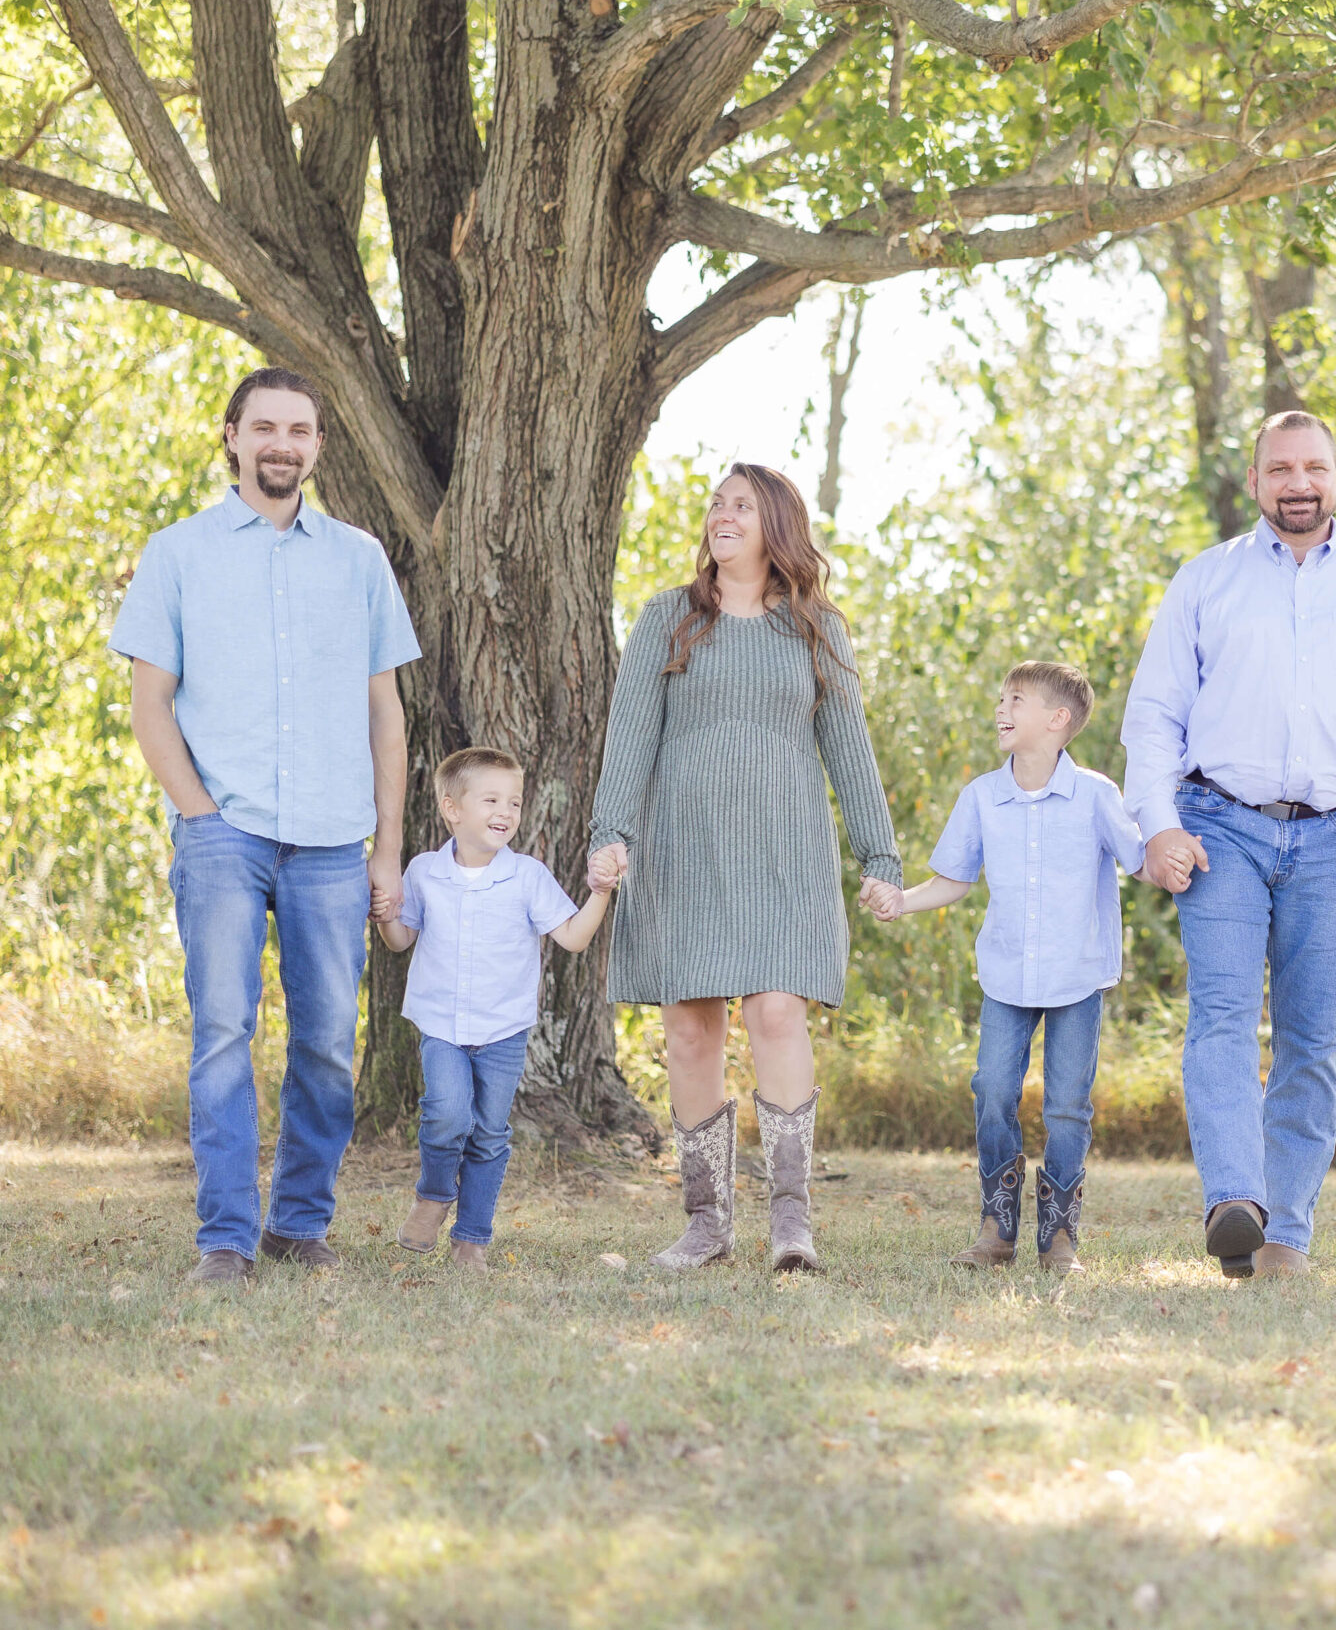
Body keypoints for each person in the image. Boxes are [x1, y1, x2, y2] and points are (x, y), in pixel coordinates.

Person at [1122, 411, 1336, 1278]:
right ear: (1256, 480)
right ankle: (1235, 1199)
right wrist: (1157, 823)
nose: (1297, 483)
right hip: (1218, 826)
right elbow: (1154, 715)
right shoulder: (1205, 581)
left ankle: (1283, 1237)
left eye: (1313, 467)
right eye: (1279, 469)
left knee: (1313, 1039)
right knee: (1223, 1017)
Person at [110, 367, 420, 1284]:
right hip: (225, 832)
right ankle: (225, 1240)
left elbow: (386, 715)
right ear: (234, 436)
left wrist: (389, 846)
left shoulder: (359, 558)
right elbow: (150, 703)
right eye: (267, 427)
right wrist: (198, 816)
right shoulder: (179, 552)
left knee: (327, 1041)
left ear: (319, 445)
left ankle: (298, 1223)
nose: (285, 443)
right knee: (220, 1035)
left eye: (302, 430)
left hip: (332, 837)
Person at [586, 464, 902, 1274]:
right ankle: (707, 1225)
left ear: (776, 527)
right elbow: (629, 738)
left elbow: (850, 750)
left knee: (776, 1014)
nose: (723, 515)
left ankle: (791, 1222)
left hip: (784, 849)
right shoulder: (667, 617)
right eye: (717, 504)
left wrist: (881, 854)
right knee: (691, 1029)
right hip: (681, 848)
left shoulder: (816, 627)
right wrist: (609, 830)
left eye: (741, 505)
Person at [896, 662, 1146, 1274]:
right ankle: (996, 1227)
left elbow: (1141, 860)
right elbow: (954, 879)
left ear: (1057, 720)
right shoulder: (982, 795)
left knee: (1066, 1103)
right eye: (1001, 696)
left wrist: (1181, 851)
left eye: (1016, 699)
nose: (1001, 708)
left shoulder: (1095, 795)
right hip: (1007, 976)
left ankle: (1059, 1235)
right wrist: (899, 901)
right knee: (992, 1090)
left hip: (1077, 977)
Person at [373, 747, 618, 1267]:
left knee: (487, 1133)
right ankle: (435, 1194)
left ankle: (471, 1239)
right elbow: (401, 940)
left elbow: (572, 938)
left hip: (504, 1031)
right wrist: (385, 916)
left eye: (514, 801)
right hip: (441, 1024)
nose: (505, 811)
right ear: (452, 809)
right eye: (491, 799)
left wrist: (599, 892)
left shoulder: (527, 876)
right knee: (445, 1116)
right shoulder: (423, 872)